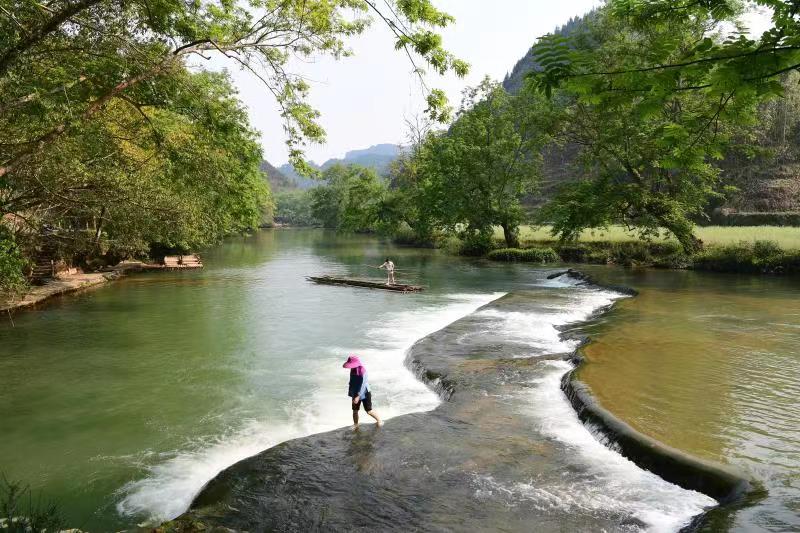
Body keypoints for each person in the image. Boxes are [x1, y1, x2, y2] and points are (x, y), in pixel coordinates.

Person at [343, 354, 383, 428]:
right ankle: (356, 425)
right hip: (355, 392)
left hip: (365, 392)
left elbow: (363, 385)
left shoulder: (362, 370)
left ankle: (379, 420)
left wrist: (358, 396)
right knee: (355, 411)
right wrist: (352, 393)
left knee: (369, 411)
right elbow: (351, 381)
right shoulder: (353, 369)